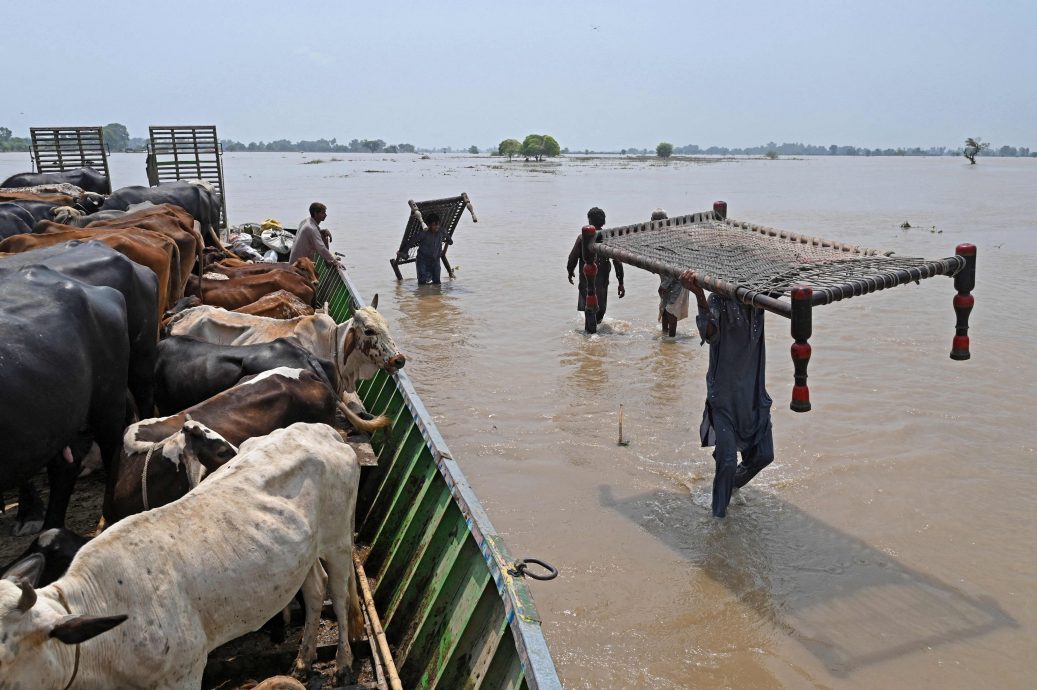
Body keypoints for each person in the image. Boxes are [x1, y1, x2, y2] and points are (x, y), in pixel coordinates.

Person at [681, 270, 774, 518]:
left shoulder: (758, 301)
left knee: (765, 455)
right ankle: (717, 524)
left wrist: (803, 265)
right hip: (724, 395)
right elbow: (709, 335)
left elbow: (781, 288)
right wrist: (698, 294)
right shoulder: (718, 300)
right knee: (727, 463)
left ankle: (731, 486)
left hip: (753, 394)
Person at [567, 207, 624, 324]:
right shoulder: (609, 237)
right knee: (600, 311)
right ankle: (598, 337)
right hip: (603, 283)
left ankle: (591, 337)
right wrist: (621, 283)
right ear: (603, 221)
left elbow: (572, 258)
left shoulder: (583, 237)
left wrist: (570, 271)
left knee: (589, 311)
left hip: (586, 282)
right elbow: (617, 262)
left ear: (589, 220)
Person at [652, 209, 689, 337]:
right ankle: (665, 334)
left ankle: (671, 339)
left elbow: (673, 263)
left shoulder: (669, 237)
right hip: (667, 278)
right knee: (664, 307)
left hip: (678, 278)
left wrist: (664, 285)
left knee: (671, 309)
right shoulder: (657, 236)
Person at [290, 202, 341, 268]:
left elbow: (314, 234)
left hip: (294, 260)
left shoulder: (306, 221)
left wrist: (323, 231)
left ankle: (328, 260)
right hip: (299, 265)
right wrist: (335, 262)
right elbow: (321, 248)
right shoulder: (311, 228)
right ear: (315, 214)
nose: (325, 215)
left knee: (323, 235)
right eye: (323, 213)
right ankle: (330, 261)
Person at [415, 211, 449, 284]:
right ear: (428, 225)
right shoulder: (423, 234)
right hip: (423, 261)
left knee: (437, 282)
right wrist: (403, 251)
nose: (437, 227)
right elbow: (410, 242)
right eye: (434, 225)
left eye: (438, 225)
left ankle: (435, 295)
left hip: (435, 260)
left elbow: (450, 241)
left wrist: (446, 236)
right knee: (422, 282)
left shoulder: (441, 231)